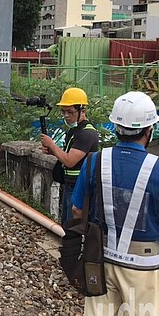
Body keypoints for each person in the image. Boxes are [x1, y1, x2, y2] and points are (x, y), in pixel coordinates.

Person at [71, 91, 159, 316]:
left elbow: (77, 210)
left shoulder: (95, 161)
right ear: (149, 130)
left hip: (100, 256)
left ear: (116, 127)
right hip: (143, 266)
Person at [40, 87, 99, 224]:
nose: (66, 115)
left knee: (73, 226)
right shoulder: (74, 130)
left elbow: (70, 161)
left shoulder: (87, 133)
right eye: (63, 111)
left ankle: (73, 245)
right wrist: (53, 151)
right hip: (70, 184)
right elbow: (67, 156)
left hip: (79, 186)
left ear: (82, 111)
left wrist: (52, 145)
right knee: (66, 223)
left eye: (70, 112)